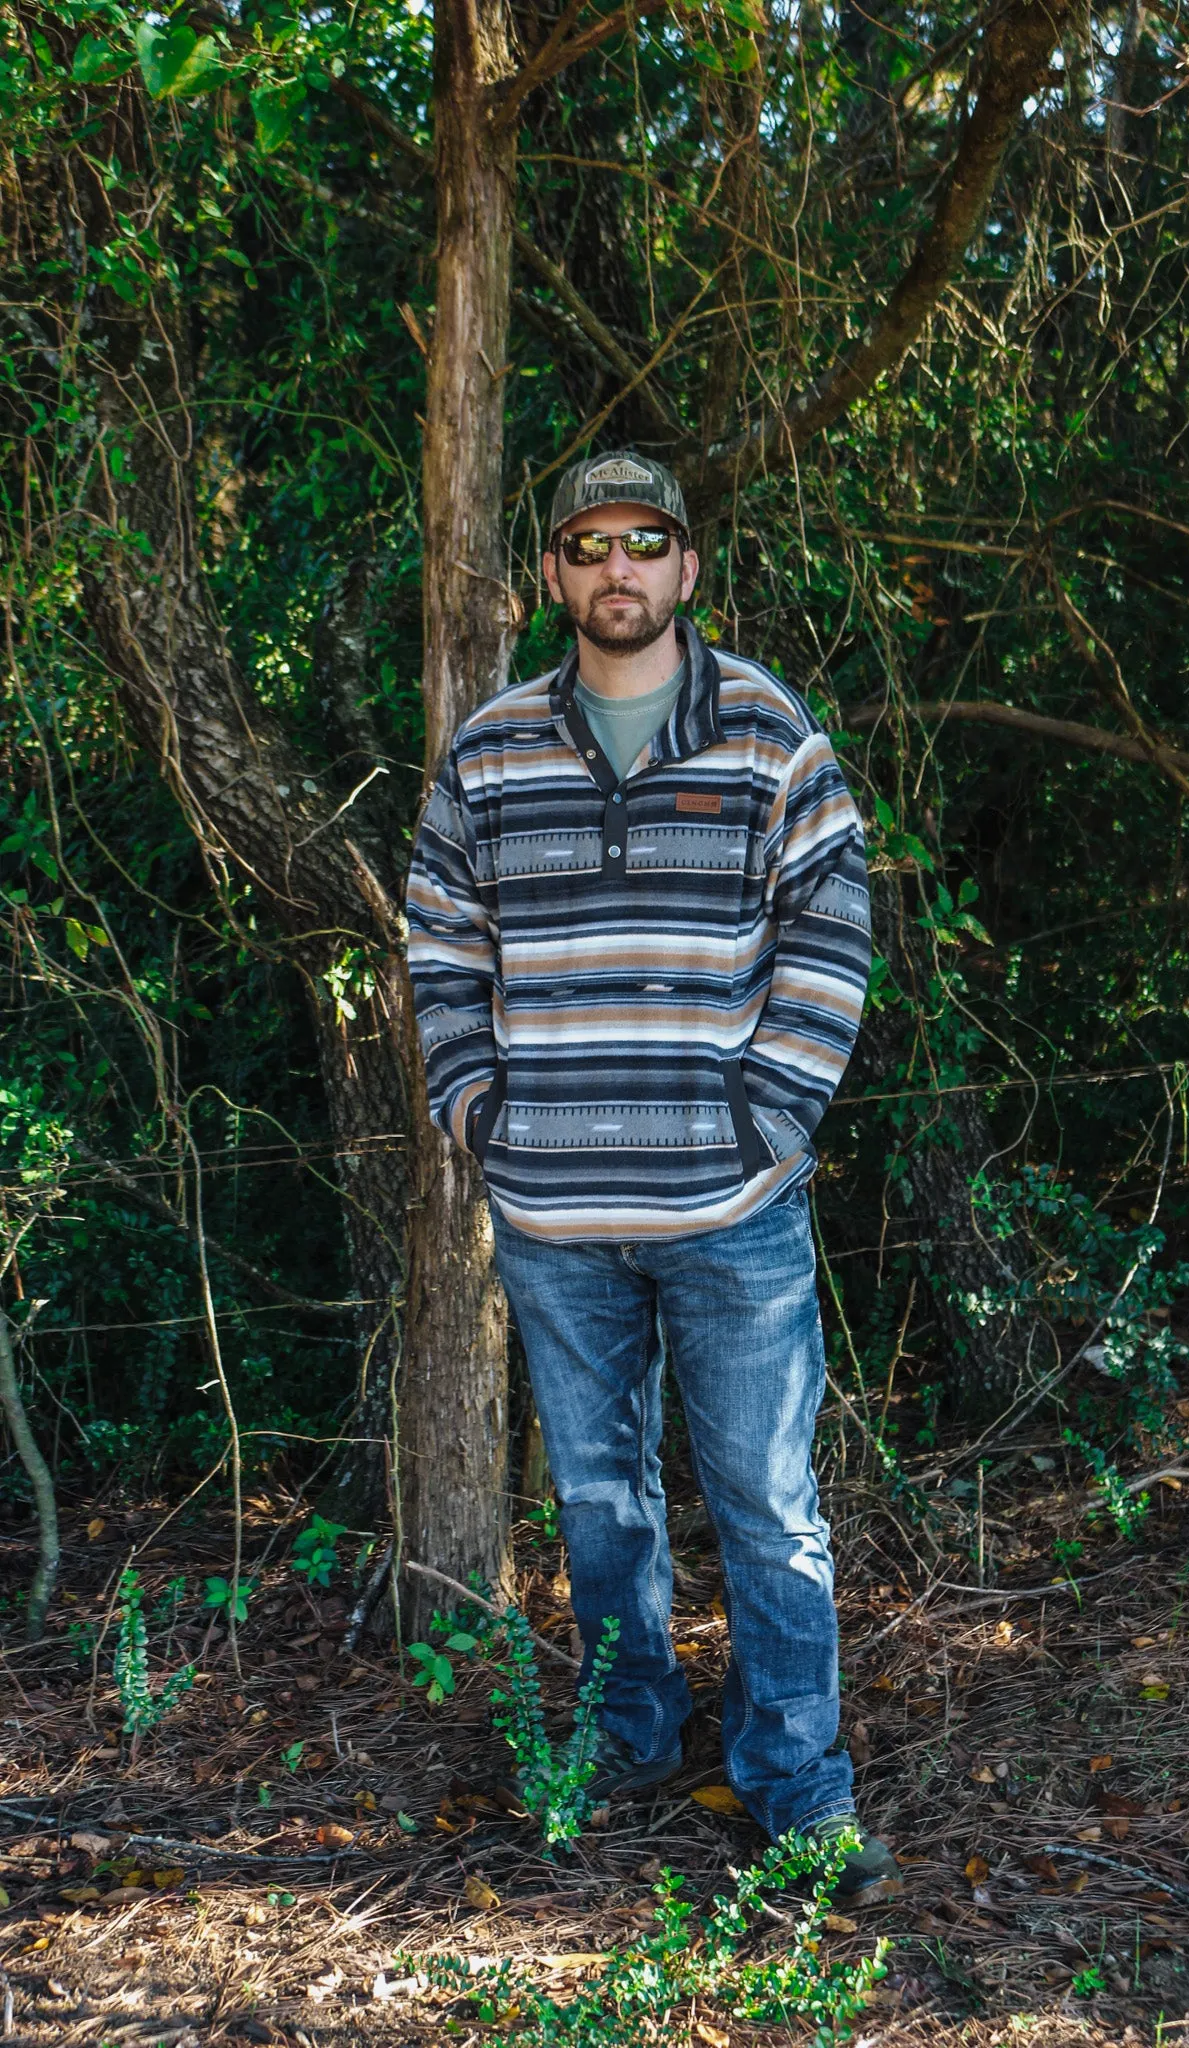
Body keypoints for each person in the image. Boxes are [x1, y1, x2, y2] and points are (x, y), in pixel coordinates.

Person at [406, 450, 899, 1903]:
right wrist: (475, 1111)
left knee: (767, 1501)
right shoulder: (489, 751)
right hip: (553, 1217)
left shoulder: (766, 734)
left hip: (731, 1213)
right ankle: (625, 1740)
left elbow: (832, 931)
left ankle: (796, 1785)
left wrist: (771, 1123)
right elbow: (442, 939)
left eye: (645, 543)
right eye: (587, 545)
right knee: (602, 1507)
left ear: (688, 569)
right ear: (552, 577)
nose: (617, 569)